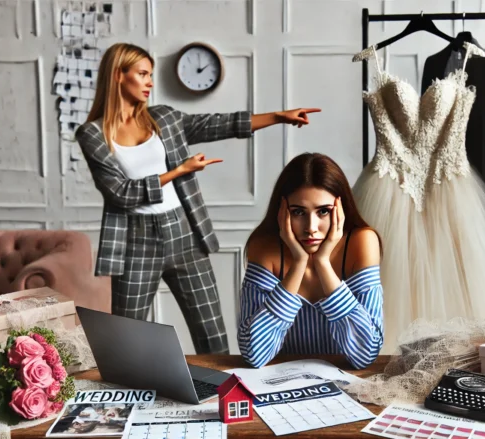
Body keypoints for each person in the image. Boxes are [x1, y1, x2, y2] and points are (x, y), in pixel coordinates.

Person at [76, 42, 320, 354]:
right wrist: (179, 171)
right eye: (142, 74)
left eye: (151, 74)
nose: (150, 82)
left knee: (212, 334)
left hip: (184, 233)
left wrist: (278, 116)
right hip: (134, 241)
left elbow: (217, 124)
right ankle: (129, 399)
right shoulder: (93, 135)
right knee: (125, 338)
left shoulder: (162, 118)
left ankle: (222, 394)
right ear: (118, 76)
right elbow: (119, 193)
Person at [238, 153, 384, 369]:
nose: (311, 227)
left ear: (341, 210)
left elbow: (365, 354)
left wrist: (323, 263)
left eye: (323, 211)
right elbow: (254, 354)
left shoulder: (361, 242)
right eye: (298, 212)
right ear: (281, 212)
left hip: (344, 386)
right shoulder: (264, 247)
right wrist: (298, 264)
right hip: (280, 384)